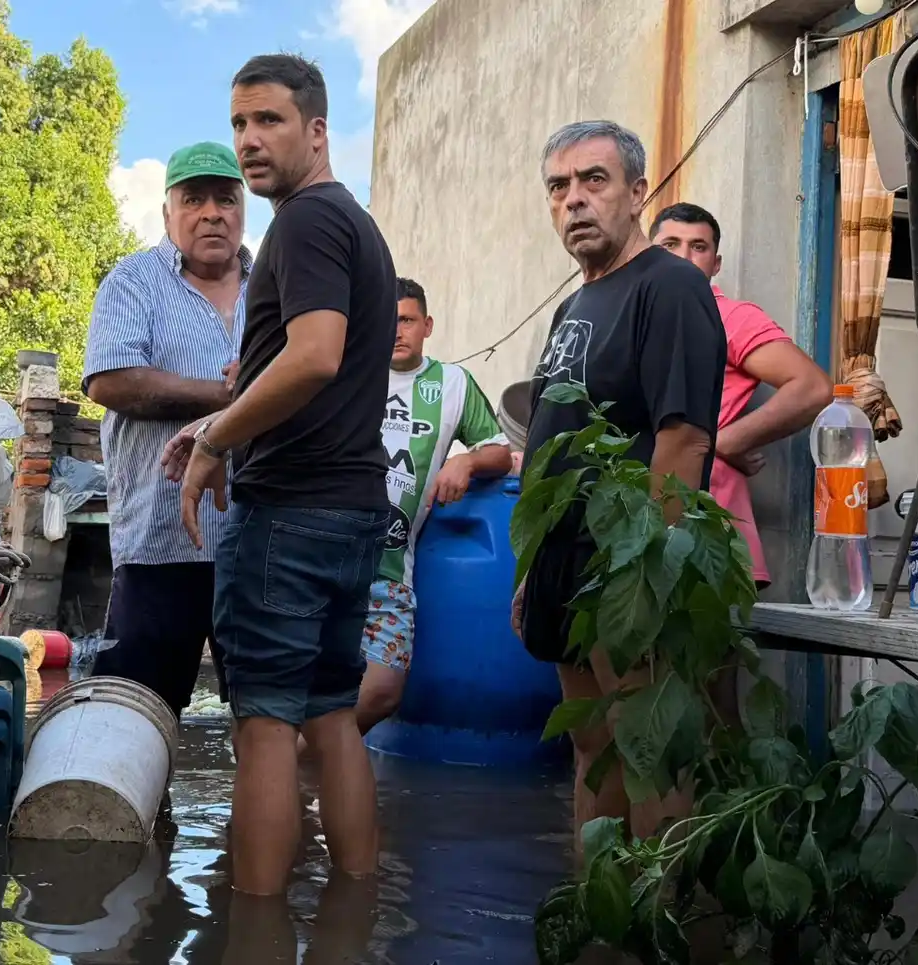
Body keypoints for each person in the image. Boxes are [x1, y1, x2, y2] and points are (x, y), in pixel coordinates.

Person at [163, 54, 396, 897]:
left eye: (270, 121)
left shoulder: (302, 222)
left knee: (263, 728)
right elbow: (296, 371)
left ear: (318, 130)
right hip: (350, 509)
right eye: (239, 124)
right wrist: (219, 420)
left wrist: (216, 442)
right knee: (333, 716)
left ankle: (252, 929)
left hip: (289, 515)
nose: (250, 141)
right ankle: (354, 917)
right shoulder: (354, 225)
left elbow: (314, 357)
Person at [512, 121, 726, 852]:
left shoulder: (670, 286)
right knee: (593, 747)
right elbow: (549, 440)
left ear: (638, 194)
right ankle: (598, 915)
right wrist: (531, 568)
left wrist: (645, 575)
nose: (574, 200)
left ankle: (667, 927)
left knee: (651, 757)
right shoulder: (574, 307)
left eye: (593, 181)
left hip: (629, 560)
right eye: (558, 187)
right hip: (564, 560)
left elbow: (685, 437)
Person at [81, 141, 250, 717]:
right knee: (135, 711)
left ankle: (263, 812)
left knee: (267, 712)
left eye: (226, 199)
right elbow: (110, 381)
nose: (211, 213)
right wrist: (229, 398)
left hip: (257, 540)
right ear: (168, 211)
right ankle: (143, 812)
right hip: (160, 539)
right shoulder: (134, 282)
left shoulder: (273, 288)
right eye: (194, 198)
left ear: (243, 209)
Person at [650, 202, 834, 588]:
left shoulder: (729, 317)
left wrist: (721, 442)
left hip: (706, 519)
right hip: (640, 508)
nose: (683, 257)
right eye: (670, 245)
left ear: (715, 264)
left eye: (697, 247)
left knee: (706, 640)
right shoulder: (639, 317)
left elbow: (812, 387)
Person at [357, 276, 512, 734]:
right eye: (386, 320)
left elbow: (500, 450)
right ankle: (297, 785)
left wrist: (465, 460)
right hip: (328, 561)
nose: (395, 331)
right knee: (311, 689)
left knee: (383, 691)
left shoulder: (452, 383)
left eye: (405, 320)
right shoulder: (349, 371)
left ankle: (296, 768)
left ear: (427, 325)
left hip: (391, 567)